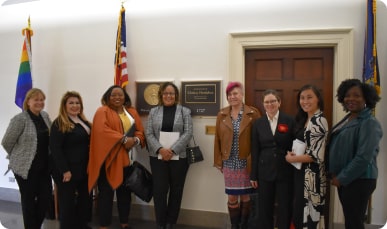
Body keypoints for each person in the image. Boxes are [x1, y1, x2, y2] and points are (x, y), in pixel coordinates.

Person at [87, 85, 146, 229]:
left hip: (129, 160)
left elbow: (139, 131)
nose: (117, 97)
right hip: (109, 160)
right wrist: (124, 140)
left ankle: (124, 223)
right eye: (113, 95)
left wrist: (136, 140)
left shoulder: (131, 112)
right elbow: (102, 131)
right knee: (106, 195)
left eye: (120, 95)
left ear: (125, 97)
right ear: (108, 97)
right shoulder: (103, 111)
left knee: (125, 194)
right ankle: (104, 225)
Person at [327, 79, 382, 229]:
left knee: (355, 222)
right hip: (347, 180)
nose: (351, 98)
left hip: (359, 180)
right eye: (347, 95)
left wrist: (342, 178)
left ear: (366, 99)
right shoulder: (349, 118)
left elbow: (364, 157)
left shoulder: (369, 122)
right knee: (351, 221)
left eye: (357, 95)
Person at [1, 88, 52, 229]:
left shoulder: (45, 116)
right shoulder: (20, 119)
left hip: (44, 167)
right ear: (28, 102)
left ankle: (34, 226)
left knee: (45, 198)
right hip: (25, 168)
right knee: (28, 201)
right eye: (36, 99)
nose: (40, 102)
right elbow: (6, 142)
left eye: (42, 100)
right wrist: (19, 156)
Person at [145, 82, 193, 229]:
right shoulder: (154, 112)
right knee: (159, 190)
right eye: (165, 93)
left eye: (171, 93)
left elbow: (188, 133)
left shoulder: (185, 111)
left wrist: (172, 150)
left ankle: (171, 222)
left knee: (176, 190)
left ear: (176, 95)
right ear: (161, 95)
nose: (168, 96)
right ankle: (160, 222)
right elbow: (149, 133)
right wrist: (160, 149)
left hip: (179, 158)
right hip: (157, 157)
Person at [214, 81, 260, 229]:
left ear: (242, 94)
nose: (232, 96)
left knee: (246, 196)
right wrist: (218, 161)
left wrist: (256, 163)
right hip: (228, 162)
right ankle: (235, 225)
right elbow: (218, 139)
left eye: (235, 93)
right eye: (230, 94)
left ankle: (244, 225)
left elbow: (258, 140)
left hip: (246, 161)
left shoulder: (253, 113)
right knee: (232, 196)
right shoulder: (221, 114)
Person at [250, 89, 295, 229]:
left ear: (279, 102)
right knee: (264, 208)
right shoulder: (258, 123)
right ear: (263, 104)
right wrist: (253, 176)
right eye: (267, 102)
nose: (270, 104)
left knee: (284, 208)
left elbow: (295, 145)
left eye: (273, 101)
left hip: (285, 170)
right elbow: (255, 150)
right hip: (264, 171)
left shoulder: (289, 120)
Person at [285, 84, 328, 229]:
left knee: (309, 215)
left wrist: (292, 159)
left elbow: (316, 155)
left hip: (312, 177)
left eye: (309, 97)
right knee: (299, 212)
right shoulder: (304, 119)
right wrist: (293, 154)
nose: (305, 101)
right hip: (300, 173)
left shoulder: (319, 120)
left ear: (318, 100)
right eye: (302, 98)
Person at [50, 91, 92, 229]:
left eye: (77, 103)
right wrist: (65, 171)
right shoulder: (59, 123)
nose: (75, 105)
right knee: (67, 203)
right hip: (66, 171)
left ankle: (81, 225)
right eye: (71, 103)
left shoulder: (84, 121)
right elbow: (56, 149)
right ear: (64, 106)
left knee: (84, 200)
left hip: (83, 168)